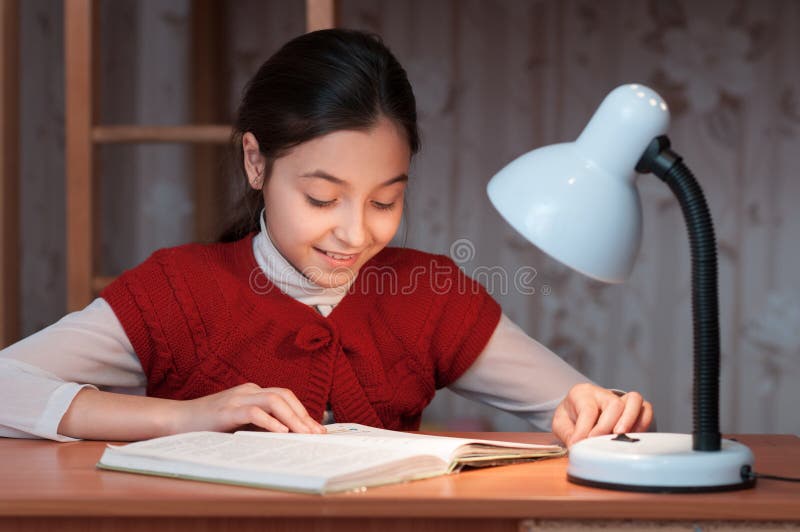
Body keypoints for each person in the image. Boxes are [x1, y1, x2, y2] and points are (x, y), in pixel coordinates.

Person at [0, 29, 652, 447]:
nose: (355, 231)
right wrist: (184, 416)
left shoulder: (430, 295)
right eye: (320, 198)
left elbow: (571, 405)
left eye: (385, 200)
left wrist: (596, 410)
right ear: (257, 163)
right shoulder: (178, 290)